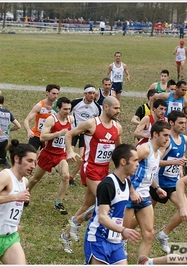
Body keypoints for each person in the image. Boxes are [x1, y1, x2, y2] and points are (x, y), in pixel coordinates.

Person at [60, 96, 125, 253]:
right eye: (116, 108)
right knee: (106, 202)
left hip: (104, 170)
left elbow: (119, 151)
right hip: (90, 168)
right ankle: (77, 221)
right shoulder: (92, 124)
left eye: (119, 108)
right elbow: (69, 134)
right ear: (106, 107)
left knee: (88, 204)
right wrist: (69, 151)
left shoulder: (118, 127)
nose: (119, 111)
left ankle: (66, 234)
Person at [83, 144, 141, 264]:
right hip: (98, 239)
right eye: (135, 160)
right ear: (123, 162)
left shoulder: (127, 183)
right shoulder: (107, 185)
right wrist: (123, 230)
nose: (137, 164)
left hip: (115, 241)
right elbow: (102, 217)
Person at [123, 120, 171, 260]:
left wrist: (157, 188)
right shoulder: (145, 149)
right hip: (130, 196)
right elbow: (124, 169)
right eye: (165, 135)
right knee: (120, 234)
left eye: (168, 136)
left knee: (149, 234)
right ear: (155, 134)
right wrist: (132, 191)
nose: (167, 139)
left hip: (144, 197)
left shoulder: (156, 153)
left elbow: (147, 174)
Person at [26, 97, 74, 214]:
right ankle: (25, 194)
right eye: (64, 109)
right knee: (35, 179)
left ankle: (59, 202)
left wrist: (70, 151)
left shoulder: (71, 119)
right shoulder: (51, 120)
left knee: (66, 176)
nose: (67, 111)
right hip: (47, 154)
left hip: (60, 155)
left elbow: (69, 136)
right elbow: (42, 137)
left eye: (69, 109)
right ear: (57, 108)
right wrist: (58, 133)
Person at [150, 110, 187, 254]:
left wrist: (179, 168)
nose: (183, 125)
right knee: (144, 214)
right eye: (180, 123)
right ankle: (123, 237)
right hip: (158, 183)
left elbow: (180, 156)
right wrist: (173, 162)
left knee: (184, 210)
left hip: (173, 184)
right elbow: (155, 162)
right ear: (171, 123)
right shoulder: (166, 141)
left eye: (184, 123)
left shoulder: (184, 139)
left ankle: (163, 235)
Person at [68, 84, 101, 186]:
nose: (92, 95)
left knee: (81, 158)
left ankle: (71, 177)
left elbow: (98, 122)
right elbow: (64, 112)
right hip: (74, 132)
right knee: (68, 155)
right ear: (85, 94)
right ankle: (61, 169)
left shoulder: (96, 107)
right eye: (90, 93)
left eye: (93, 93)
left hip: (85, 135)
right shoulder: (76, 102)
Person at [23, 84, 60, 151]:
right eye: (53, 93)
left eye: (57, 94)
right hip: (37, 135)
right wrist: (28, 131)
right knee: (29, 154)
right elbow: (26, 120)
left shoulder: (58, 107)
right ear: (47, 93)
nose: (55, 96)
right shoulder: (39, 106)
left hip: (48, 137)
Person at [0, 94, 21, 167]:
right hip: (5, 140)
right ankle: (4, 159)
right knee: (2, 156)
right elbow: (18, 126)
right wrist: (8, 130)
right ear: (3, 103)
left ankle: (2, 160)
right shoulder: (8, 112)